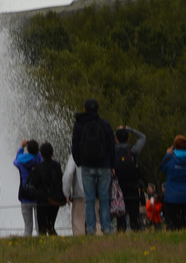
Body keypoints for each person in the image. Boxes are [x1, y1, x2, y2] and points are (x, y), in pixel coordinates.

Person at [71, 98, 116, 235]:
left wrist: (79, 162)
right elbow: (112, 146)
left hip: (87, 165)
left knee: (89, 199)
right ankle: (106, 228)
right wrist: (112, 165)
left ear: (84, 109)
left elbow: (75, 145)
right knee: (104, 198)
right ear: (98, 110)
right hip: (104, 165)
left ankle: (90, 229)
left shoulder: (79, 125)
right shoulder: (105, 124)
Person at [28, 142, 65, 235]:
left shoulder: (39, 167)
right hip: (55, 198)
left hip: (42, 199)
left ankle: (43, 243)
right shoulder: (57, 165)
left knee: (42, 226)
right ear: (52, 153)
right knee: (51, 224)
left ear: (41, 154)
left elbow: (34, 182)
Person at [113, 125, 146, 232]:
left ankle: (121, 234)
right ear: (128, 138)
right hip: (133, 186)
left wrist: (116, 132)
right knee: (134, 215)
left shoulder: (113, 151)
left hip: (118, 188)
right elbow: (142, 137)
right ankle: (136, 232)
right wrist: (129, 129)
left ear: (116, 139)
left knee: (120, 217)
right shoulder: (133, 150)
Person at [13, 139, 41, 236]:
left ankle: (26, 243)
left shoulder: (21, 161)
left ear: (27, 150)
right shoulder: (39, 160)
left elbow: (15, 160)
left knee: (27, 227)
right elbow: (41, 159)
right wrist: (37, 152)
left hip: (25, 195)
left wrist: (21, 147)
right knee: (39, 226)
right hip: (37, 196)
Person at [159, 134, 186, 230]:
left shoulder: (170, 159)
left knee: (173, 225)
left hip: (172, 196)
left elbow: (162, 168)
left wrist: (167, 154)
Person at [62, 153, 86, 235]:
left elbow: (68, 174)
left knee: (79, 227)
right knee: (97, 224)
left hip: (80, 195)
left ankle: (81, 247)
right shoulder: (99, 151)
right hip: (97, 195)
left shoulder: (75, 155)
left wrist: (67, 193)